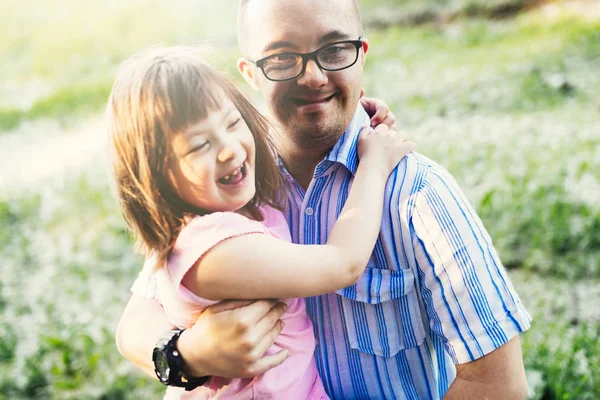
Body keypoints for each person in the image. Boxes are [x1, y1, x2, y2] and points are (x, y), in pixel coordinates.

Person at [117, 0, 533, 398]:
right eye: (282, 56)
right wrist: (186, 354)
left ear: (360, 55)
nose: (313, 76)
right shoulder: (228, 195)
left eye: (334, 50)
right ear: (250, 73)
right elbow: (136, 323)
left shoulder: (418, 195)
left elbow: (499, 386)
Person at [107, 46, 415, 399]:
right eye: (198, 146)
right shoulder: (213, 249)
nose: (230, 149)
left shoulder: (234, 202)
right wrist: (373, 166)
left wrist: (350, 113)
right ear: (157, 177)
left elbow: (276, 134)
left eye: (232, 123)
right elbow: (342, 263)